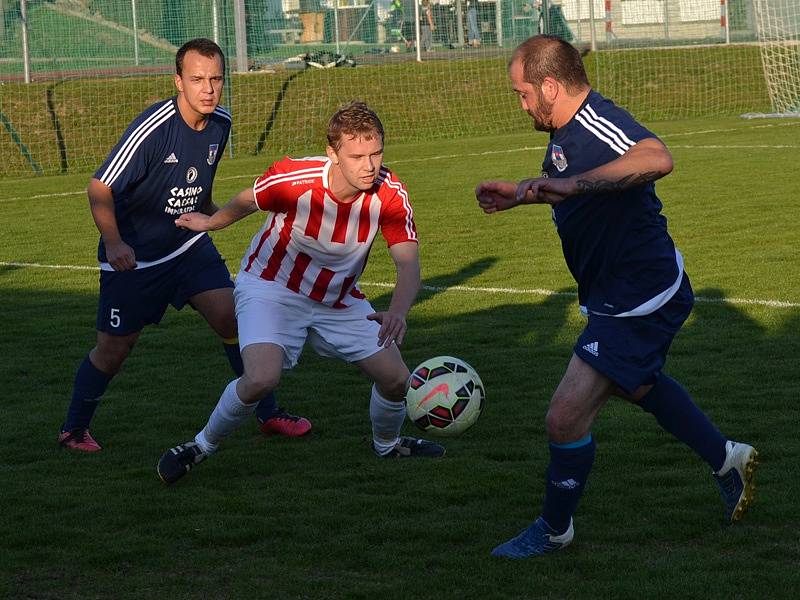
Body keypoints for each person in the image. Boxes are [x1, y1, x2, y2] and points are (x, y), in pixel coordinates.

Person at [475, 35, 758, 558]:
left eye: (522, 94)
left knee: (564, 417)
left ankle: (555, 530)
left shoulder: (597, 121)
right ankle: (727, 458)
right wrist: (521, 193)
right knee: (639, 384)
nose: (520, 105)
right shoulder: (563, 130)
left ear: (551, 86)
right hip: (612, 294)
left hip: (640, 298)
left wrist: (575, 185)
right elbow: (573, 188)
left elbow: (657, 156)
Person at [156, 101, 445, 484]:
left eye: (376, 153)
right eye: (357, 156)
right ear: (333, 154)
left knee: (396, 380)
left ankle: (387, 445)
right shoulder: (295, 178)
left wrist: (398, 312)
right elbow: (249, 199)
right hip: (271, 288)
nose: (369, 165)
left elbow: (408, 263)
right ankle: (200, 446)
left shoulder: (389, 194)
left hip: (338, 299)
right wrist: (213, 222)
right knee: (261, 378)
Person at [58, 38, 311, 453]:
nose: (208, 89)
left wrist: (212, 217)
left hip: (188, 247)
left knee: (233, 318)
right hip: (135, 258)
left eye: (215, 79)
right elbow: (99, 187)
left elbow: (201, 180)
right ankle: (73, 428)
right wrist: (115, 242)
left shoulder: (221, 123)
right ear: (178, 81)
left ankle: (268, 413)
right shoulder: (153, 128)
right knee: (114, 351)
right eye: (197, 79)